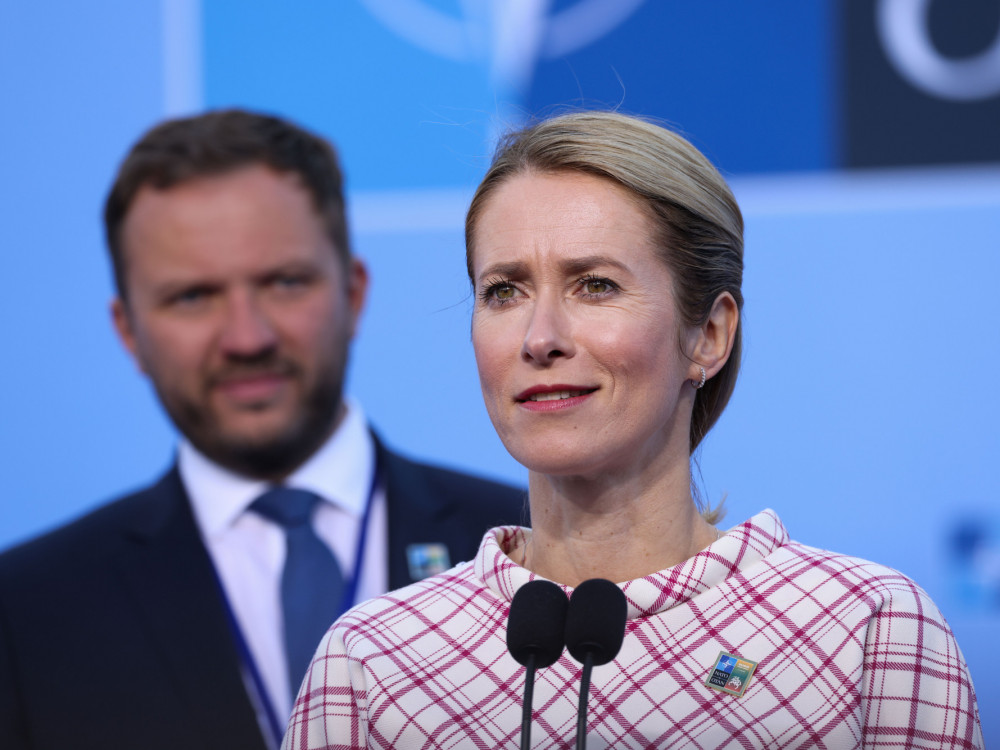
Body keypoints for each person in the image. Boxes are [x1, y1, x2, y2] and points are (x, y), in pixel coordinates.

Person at [281, 111, 983, 749]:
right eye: (504, 291)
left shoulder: (866, 633)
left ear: (709, 335)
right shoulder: (374, 661)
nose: (539, 338)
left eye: (595, 285)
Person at [0, 109, 524, 750]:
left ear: (353, 293)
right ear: (128, 331)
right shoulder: (25, 614)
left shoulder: (535, 553)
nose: (247, 338)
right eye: (192, 296)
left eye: (284, 282)